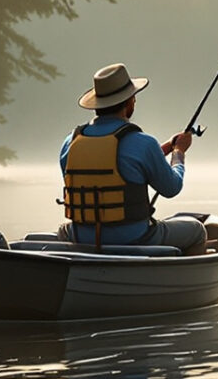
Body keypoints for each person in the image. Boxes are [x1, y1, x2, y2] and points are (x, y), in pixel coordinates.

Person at [58, 63, 203, 252]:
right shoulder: (143, 144)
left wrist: (167, 146)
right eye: (133, 98)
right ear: (128, 103)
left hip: (79, 236)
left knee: (63, 230)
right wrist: (179, 153)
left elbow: (109, 166)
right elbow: (171, 188)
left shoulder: (71, 142)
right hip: (135, 237)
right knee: (197, 230)